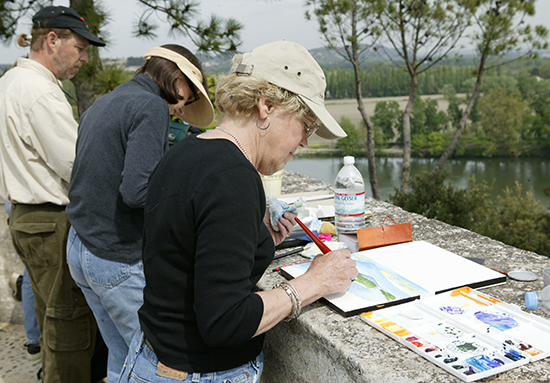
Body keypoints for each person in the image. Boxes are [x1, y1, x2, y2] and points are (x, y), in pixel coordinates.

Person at [118, 40, 359, 383]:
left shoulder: (188, 152)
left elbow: (188, 252)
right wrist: (313, 283)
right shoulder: (233, 178)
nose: (305, 141)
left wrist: (256, 237)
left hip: (152, 357)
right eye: (306, 124)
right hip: (195, 372)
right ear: (267, 105)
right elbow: (225, 322)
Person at [65, 45, 215, 382]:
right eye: (188, 96)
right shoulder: (150, 107)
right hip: (114, 255)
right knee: (158, 362)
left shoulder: (108, 100)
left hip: (80, 245)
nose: (182, 107)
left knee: (121, 356)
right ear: (177, 78)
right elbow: (137, 192)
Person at [0, 5, 106, 383]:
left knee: (51, 315)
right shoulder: (39, 92)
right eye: (79, 48)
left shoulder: (11, 80)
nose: (84, 58)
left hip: (26, 215)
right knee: (69, 323)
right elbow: (78, 166)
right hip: (50, 218)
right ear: (51, 40)